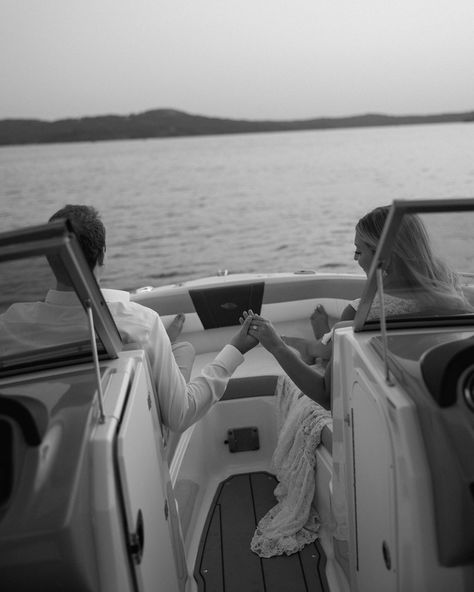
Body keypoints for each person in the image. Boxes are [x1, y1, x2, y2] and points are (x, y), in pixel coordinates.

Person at [0, 205, 257, 432]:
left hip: (43, 435)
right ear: (103, 255)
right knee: (185, 349)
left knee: (179, 347)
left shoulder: (9, 324)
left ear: (49, 258)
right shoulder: (140, 323)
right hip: (127, 432)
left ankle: (162, 348)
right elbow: (180, 415)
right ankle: (162, 349)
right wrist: (234, 350)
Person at [243, 205, 472, 407]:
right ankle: (323, 338)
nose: (355, 259)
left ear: (384, 258)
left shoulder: (360, 314)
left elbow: (326, 396)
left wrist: (276, 347)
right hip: (436, 402)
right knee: (333, 341)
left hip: (376, 409)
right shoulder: (455, 300)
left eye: (359, 251)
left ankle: (315, 342)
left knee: (332, 341)